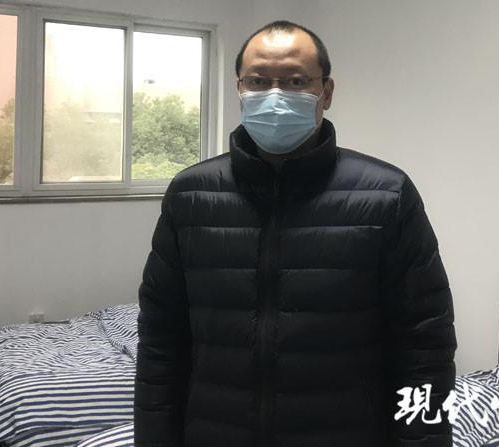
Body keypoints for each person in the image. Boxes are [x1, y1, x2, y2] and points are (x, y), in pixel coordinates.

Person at [134, 19, 457, 447]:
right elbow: (160, 340)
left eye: (295, 81)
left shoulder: (387, 196)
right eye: (258, 81)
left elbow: (425, 347)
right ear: (239, 89)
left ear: (326, 92)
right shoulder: (190, 195)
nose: (275, 95)